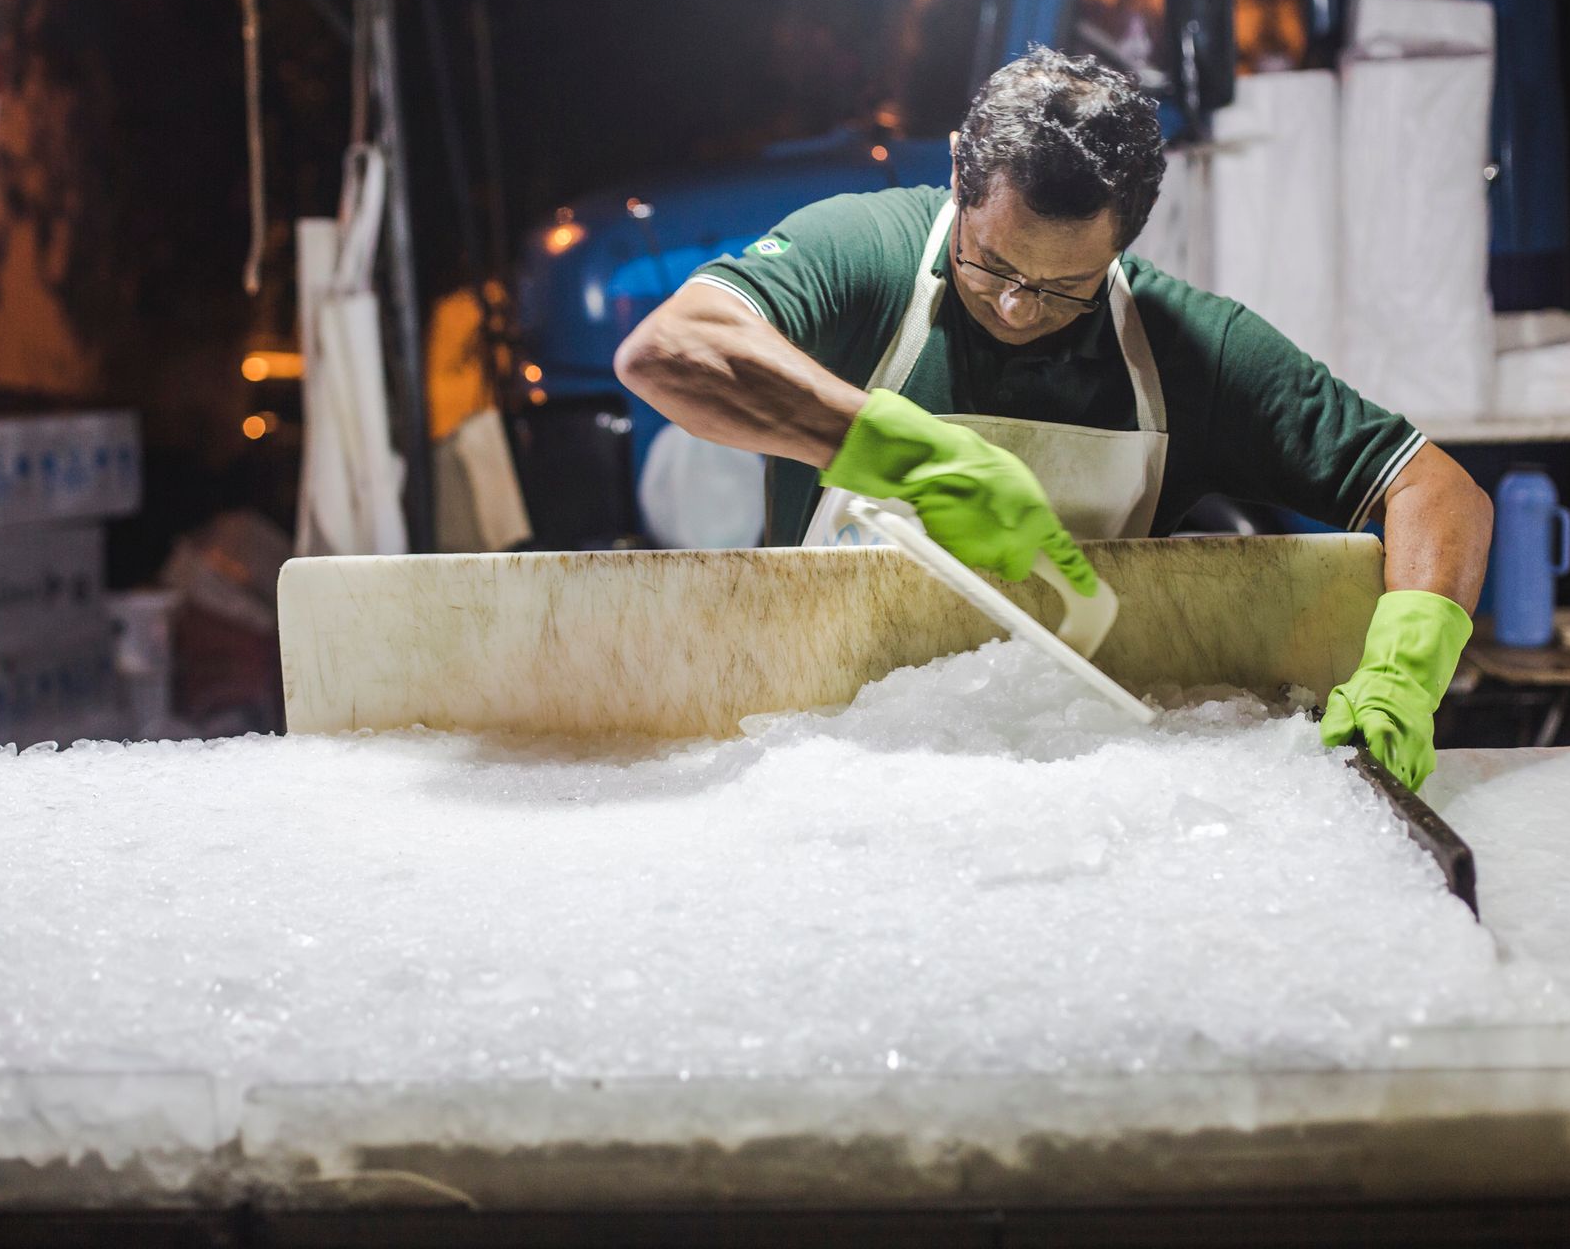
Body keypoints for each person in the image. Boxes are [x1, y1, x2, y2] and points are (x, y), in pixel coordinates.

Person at [614, 45, 1491, 789]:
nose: (1017, 308)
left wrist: (1404, 678)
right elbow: (671, 351)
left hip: (1077, 780)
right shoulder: (867, 254)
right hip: (827, 763)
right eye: (991, 263)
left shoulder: (1190, 352)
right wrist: (900, 454)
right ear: (960, 172)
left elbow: (1436, 490)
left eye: (1065, 287)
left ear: (1125, 242)